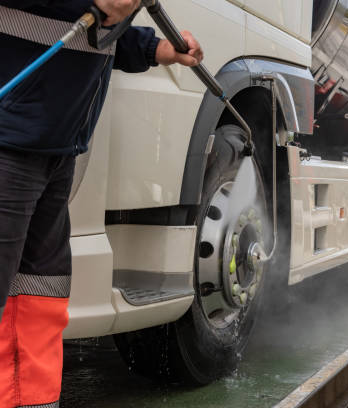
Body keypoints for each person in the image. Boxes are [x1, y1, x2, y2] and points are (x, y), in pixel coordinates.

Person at [0, 1, 204, 406]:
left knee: (39, 295)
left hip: (52, 149)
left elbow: (92, 33)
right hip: (9, 140)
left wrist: (152, 48)